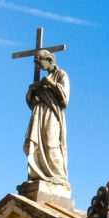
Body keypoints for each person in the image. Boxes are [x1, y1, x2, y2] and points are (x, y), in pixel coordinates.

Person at [23, 50, 69, 184]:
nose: (38, 66)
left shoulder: (61, 74)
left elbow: (65, 99)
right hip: (39, 113)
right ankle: (37, 174)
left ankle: (58, 176)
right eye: (36, 64)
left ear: (49, 60)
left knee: (51, 142)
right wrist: (31, 90)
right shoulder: (41, 81)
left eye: (39, 62)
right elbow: (31, 102)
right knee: (35, 142)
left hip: (52, 113)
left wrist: (50, 83)